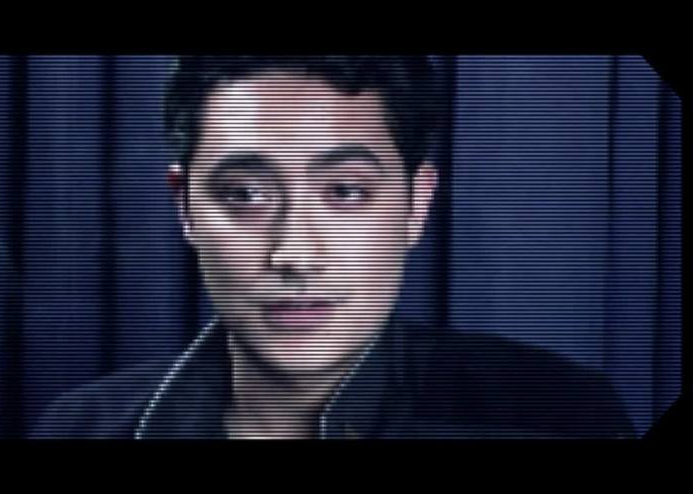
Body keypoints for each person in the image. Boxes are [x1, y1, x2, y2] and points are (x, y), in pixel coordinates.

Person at [31, 56, 635, 439]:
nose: (295, 253)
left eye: (345, 191)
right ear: (185, 205)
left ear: (416, 204)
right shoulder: (80, 428)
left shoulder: (556, 417)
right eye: (245, 194)